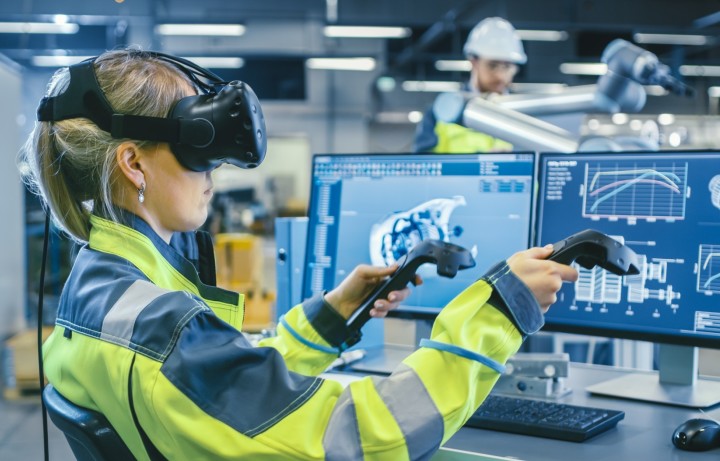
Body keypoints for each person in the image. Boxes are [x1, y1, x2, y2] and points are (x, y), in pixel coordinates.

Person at [22, 48, 577, 460]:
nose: (214, 171)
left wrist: (330, 317)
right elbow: (362, 434)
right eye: (197, 146)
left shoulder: (101, 289)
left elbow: (226, 386)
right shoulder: (159, 329)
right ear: (133, 164)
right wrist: (500, 310)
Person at [414, 17, 526, 154]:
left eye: (507, 67)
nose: (500, 75)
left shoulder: (524, 112)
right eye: (493, 65)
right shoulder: (444, 109)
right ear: (474, 62)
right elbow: (424, 165)